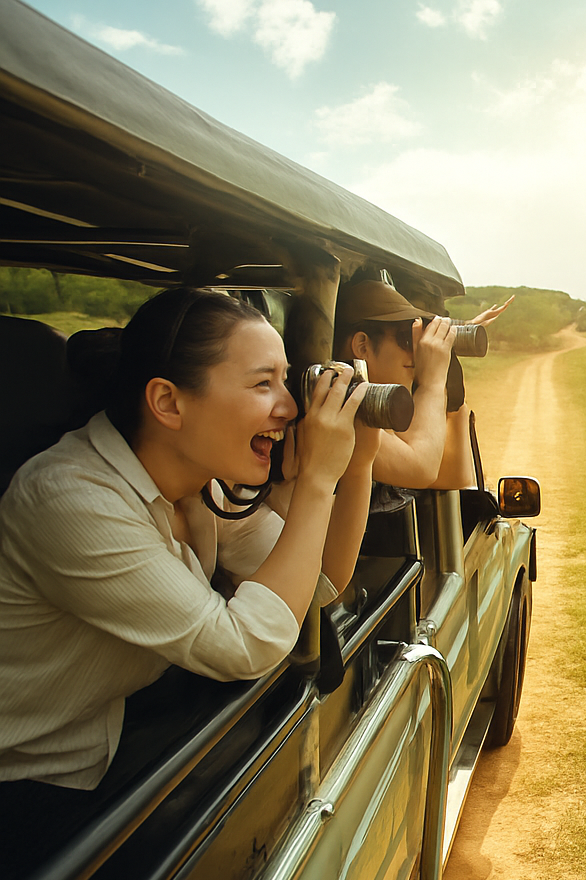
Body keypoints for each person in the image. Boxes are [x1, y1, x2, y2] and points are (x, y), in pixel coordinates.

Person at [0, 287, 378, 792]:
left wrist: (357, 462)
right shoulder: (71, 499)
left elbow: (319, 581)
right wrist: (315, 482)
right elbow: (245, 644)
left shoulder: (201, 485)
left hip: (107, 751)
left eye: (285, 381)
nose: (289, 407)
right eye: (263, 383)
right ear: (167, 403)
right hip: (32, 790)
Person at [333, 280, 511, 490]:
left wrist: (450, 395)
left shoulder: (380, 411)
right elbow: (421, 469)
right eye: (407, 339)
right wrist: (431, 384)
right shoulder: (341, 410)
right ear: (362, 346)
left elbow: (452, 478)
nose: (417, 351)